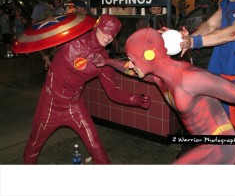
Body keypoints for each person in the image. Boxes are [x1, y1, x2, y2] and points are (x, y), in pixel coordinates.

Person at [94, 27, 235, 164]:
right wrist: (108, 61)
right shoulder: (158, 76)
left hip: (220, 144)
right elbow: (130, 70)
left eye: (133, 60)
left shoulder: (189, 77)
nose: (131, 64)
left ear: (149, 56)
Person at [23, 14, 151, 164]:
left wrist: (135, 99)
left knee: (95, 145)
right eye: (106, 31)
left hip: (73, 106)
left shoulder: (102, 60)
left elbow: (113, 92)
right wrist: (44, 55)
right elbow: (44, 38)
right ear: (97, 26)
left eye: (113, 34)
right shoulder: (71, 39)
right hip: (49, 105)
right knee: (34, 145)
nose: (109, 37)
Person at [180, 0, 235, 144]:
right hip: (220, 77)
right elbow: (210, 25)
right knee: (220, 133)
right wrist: (185, 39)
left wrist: (195, 42)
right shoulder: (226, 4)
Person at [31, 0, 54, 71]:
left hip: (40, 28)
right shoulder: (50, 6)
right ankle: (46, 65)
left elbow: (34, 20)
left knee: (40, 47)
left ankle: (49, 64)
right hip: (50, 28)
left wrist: (32, 27)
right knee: (47, 47)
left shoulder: (37, 7)